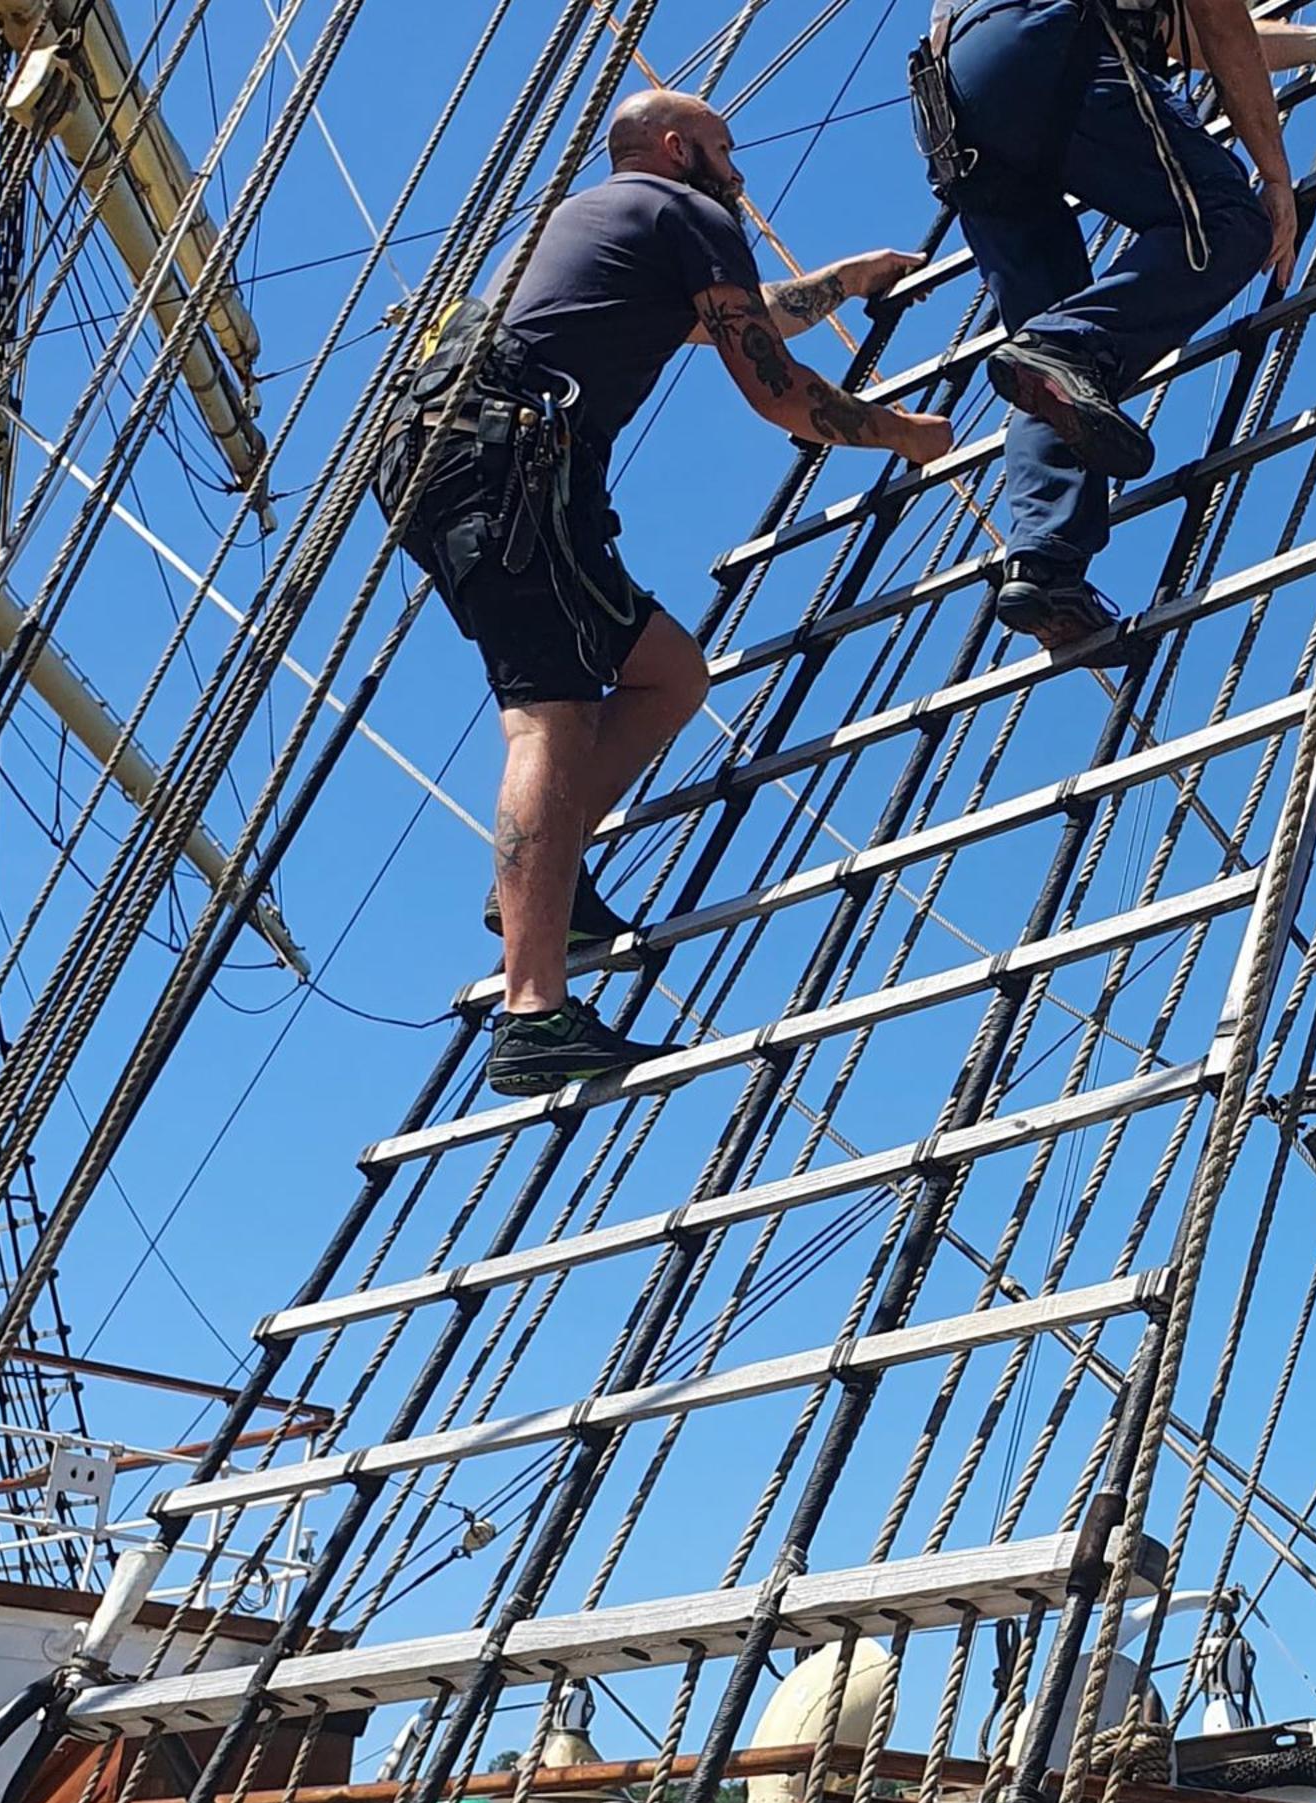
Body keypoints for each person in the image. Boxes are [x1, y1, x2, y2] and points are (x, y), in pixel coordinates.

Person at [377, 89, 954, 1098]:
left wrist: (845, 279)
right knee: (548, 715)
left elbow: (746, 317)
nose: (740, 171)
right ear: (681, 149)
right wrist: (904, 434)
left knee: (670, 673)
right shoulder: (688, 211)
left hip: (459, 461)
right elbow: (776, 389)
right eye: (727, 150)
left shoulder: (600, 222)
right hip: (513, 468)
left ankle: (545, 884)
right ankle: (534, 1014)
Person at [915, 0, 1316, 648]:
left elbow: (1198, 38)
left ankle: (1046, 568)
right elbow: (1221, 23)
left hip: (953, 104)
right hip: (1045, 39)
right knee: (1228, 222)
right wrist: (1276, 178)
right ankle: (1065, 352)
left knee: (1049, 364)